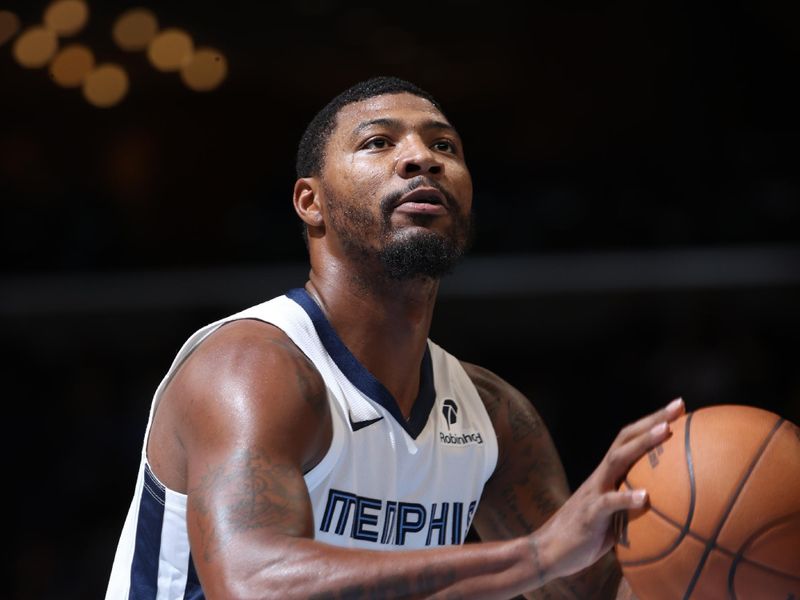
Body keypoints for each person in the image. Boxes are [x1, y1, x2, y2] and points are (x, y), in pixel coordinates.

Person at [106, 76, 684, 599]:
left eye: (445, 146)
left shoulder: (492, 413)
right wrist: (535, 554)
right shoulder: (251, 366)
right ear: (311, 203)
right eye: (379, 142)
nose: (421, 160)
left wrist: (718, 555)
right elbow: (253, 583)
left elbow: (584, 586)